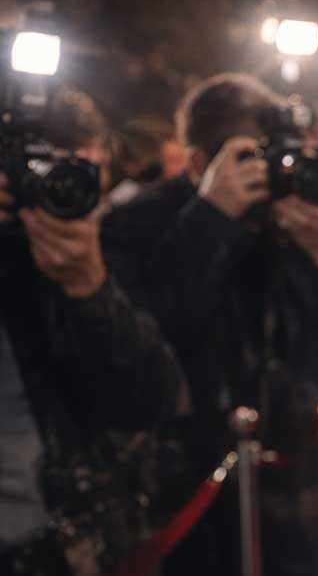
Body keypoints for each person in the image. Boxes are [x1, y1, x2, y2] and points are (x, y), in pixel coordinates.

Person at [103, 72, 318, 576]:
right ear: (198, 161)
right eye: (248, 157)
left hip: (301, 478)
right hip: (188, 489)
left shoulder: (297, 213)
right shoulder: (139, 223)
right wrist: (211, 218)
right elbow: (143, 340)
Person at [0, 109, 184, 574]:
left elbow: (153, 399)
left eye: (77, 172)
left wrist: (88, 286)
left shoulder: (102, 243)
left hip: (81, 540)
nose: (58, 190)